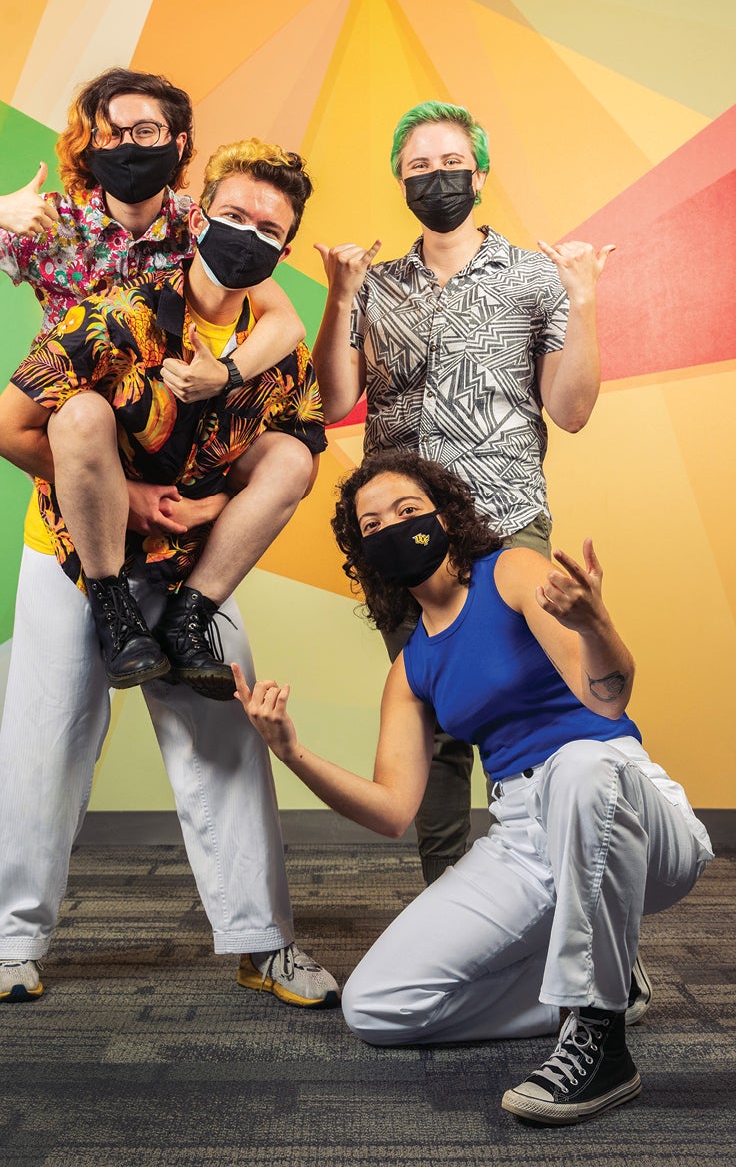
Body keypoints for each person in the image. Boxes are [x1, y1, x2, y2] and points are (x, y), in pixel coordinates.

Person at [0, 66, 337, 1006]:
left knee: (223, 734)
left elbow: (280, 312)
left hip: (189, 518)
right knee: (46, 737)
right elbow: (11, 423)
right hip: (81, 520)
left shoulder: (211, 234)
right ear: (91, 138)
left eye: (154, 129)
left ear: (183, 151)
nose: (135, 143)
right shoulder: (57, 234)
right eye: (118, 129)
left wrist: (219, 408)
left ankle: (260, 937)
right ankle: (9, 940)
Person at [234, 450, 713, 1125]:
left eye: (407, 511)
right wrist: (290, 751)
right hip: (522, 830)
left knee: (577, 766)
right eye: (373, 525)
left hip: (623, 801)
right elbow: (392, 810)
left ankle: (600, 1042)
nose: (393, 528)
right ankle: (604, 988)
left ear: (446, 517)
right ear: (366, 554)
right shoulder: (412, 667)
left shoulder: (512, 572)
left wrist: (596, 624)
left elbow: (606, 703)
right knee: (377, 1005)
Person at [312, 101, 614, 885]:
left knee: (535, 708)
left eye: (449, 163)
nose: (435, 177)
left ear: (479, 173)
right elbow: (337, 399)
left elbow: (573, 411)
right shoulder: (377, 284)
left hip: (506, 519)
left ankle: (566, 891)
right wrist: (341, 297)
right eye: (417, 167)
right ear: (400, 182)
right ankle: (452, 904)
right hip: (401, 530)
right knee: (434, 719)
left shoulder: (534, 277)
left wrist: (583, 300)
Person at [0, 137, 325, 702]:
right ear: (200, 222)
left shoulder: (279, 347)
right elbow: (3, 428)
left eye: (268, 231)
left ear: (284, 253)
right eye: (233, 217)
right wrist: (126, 494)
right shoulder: (116, 317)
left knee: (293, 456)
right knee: (81, 411)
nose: (247, 238)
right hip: (88, 536)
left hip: (193, 551)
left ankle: (190, 616)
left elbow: (299, 462)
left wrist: (213, 505)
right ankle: (111, 607)